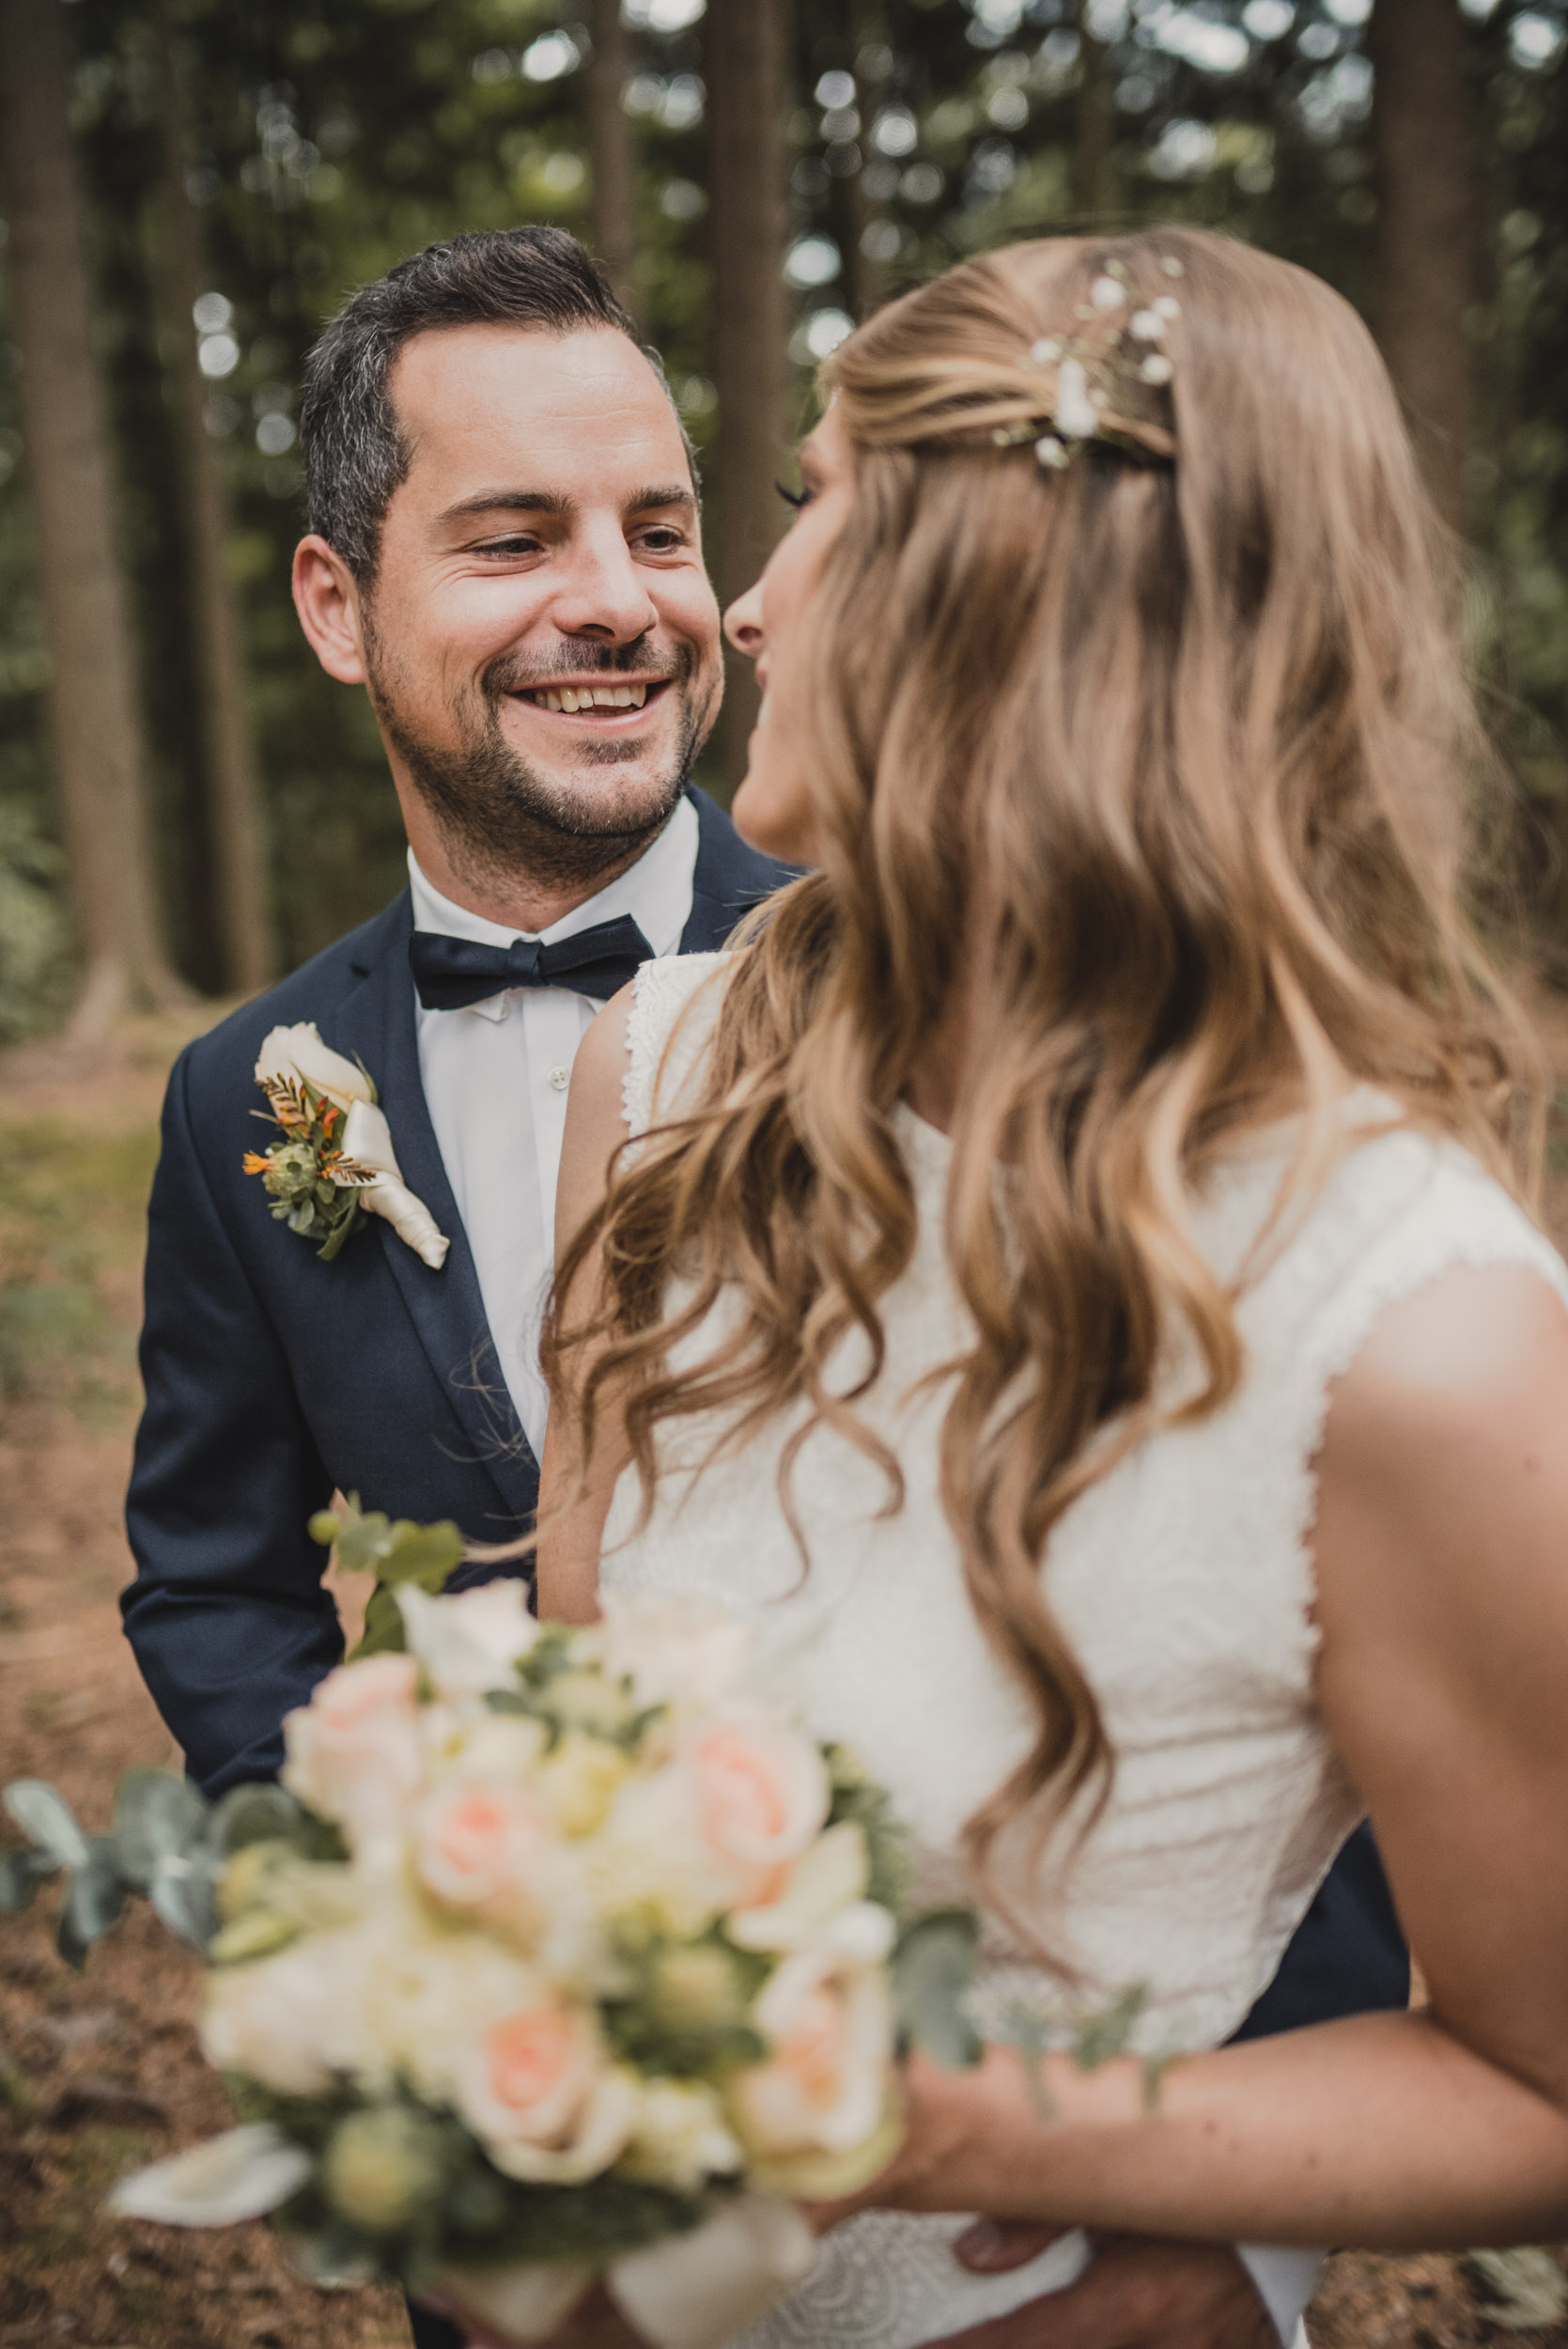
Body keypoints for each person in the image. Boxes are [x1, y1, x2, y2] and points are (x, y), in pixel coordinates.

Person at [123, 224, 1404, 2349]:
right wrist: (395, 1948)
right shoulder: (252, 1095)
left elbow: (1247, 1630)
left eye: (661, 523)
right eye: (516, 538)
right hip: (550, 2156)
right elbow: (215, 1575)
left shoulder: (977, 981)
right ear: (339, 604)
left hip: (1069, 2203)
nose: (626, 605)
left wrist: (1242, 2227)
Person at [535, 226, 1568, 2349]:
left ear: (1003, 589)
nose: (741, 595)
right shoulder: (652, 1071)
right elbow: (570, 1762)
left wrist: (1032, 2152)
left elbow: (1537, 2080)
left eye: (815, 499)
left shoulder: (1421, 1335)